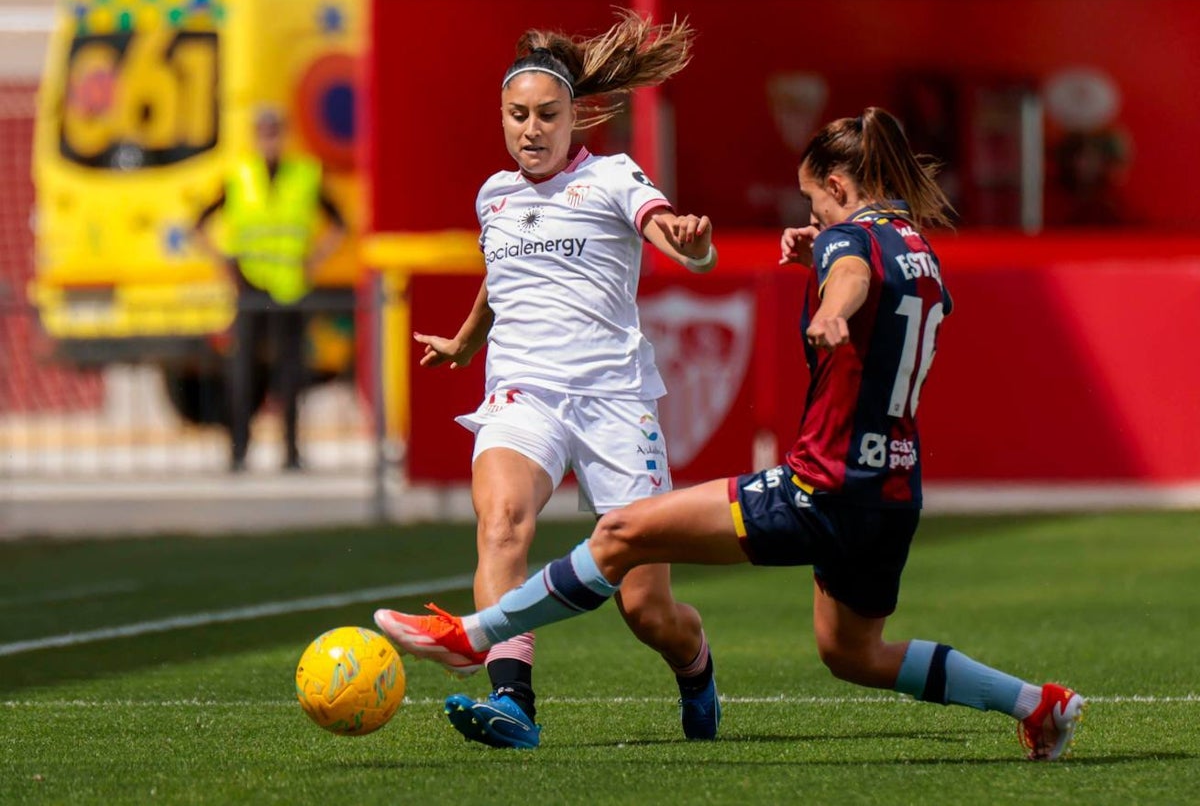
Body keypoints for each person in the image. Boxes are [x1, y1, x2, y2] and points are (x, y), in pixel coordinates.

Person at [374, 107, 1086, 761]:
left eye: (813, 199)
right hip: (892, 494)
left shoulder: (845, 245)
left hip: (820, 487)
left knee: (622, 534)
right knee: (853, 653)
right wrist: (831, 256)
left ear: (838, 186)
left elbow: (851, 279)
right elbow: (874, 275)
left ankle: (475, 635)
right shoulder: (917, 249)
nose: (810, 214)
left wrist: (833, 299)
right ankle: (1038, 705)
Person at [375, 11, 722, 750]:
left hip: (613, 401)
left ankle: (695, 667)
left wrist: (693, 249)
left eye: (546, 116)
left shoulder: (611, 178)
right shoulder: (493, 196)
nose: (531, 130)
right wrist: (469, 343)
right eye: (517, 115)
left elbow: (667, 231)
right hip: (522, 393)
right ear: (502, 117)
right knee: (501, 523)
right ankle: (513, 704)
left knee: (646, 609)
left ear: (574, 118)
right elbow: (503, 278)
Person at [192, 107, 346, 472]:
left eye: (274, 131)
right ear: (254, 136)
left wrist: (315, 259)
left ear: (284, 134)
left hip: (290, 288)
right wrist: (223, 263)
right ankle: (238, 452)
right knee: (242, 373)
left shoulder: (304, 174)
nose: (269, 139)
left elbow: (339, 223)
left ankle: (291, 453)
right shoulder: (238, 175)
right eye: (263, 132)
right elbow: (199, 225)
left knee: (290, 375)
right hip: (249, 287)